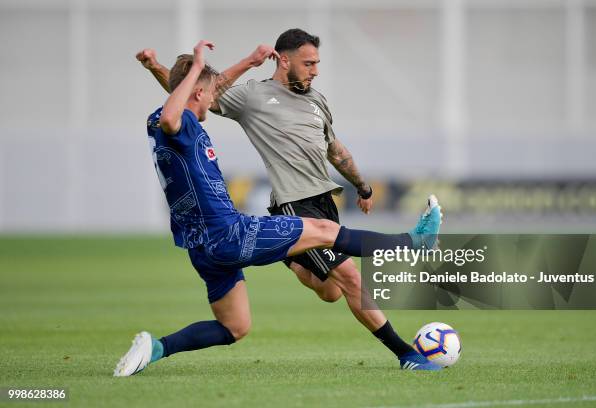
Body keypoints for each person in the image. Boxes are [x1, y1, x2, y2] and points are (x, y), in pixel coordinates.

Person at [114, 40, 443, 377]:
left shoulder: (159, 120)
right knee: (327, 234)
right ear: (196, 93)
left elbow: (191, 96)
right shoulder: (176, 121)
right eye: (209, 92)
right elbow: (182, 106)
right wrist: (198, 65)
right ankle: (412, 244)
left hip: (201, 247)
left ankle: (156, 347)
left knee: (235, 326)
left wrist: (242, 62)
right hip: (228, 232)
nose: (215, 98)